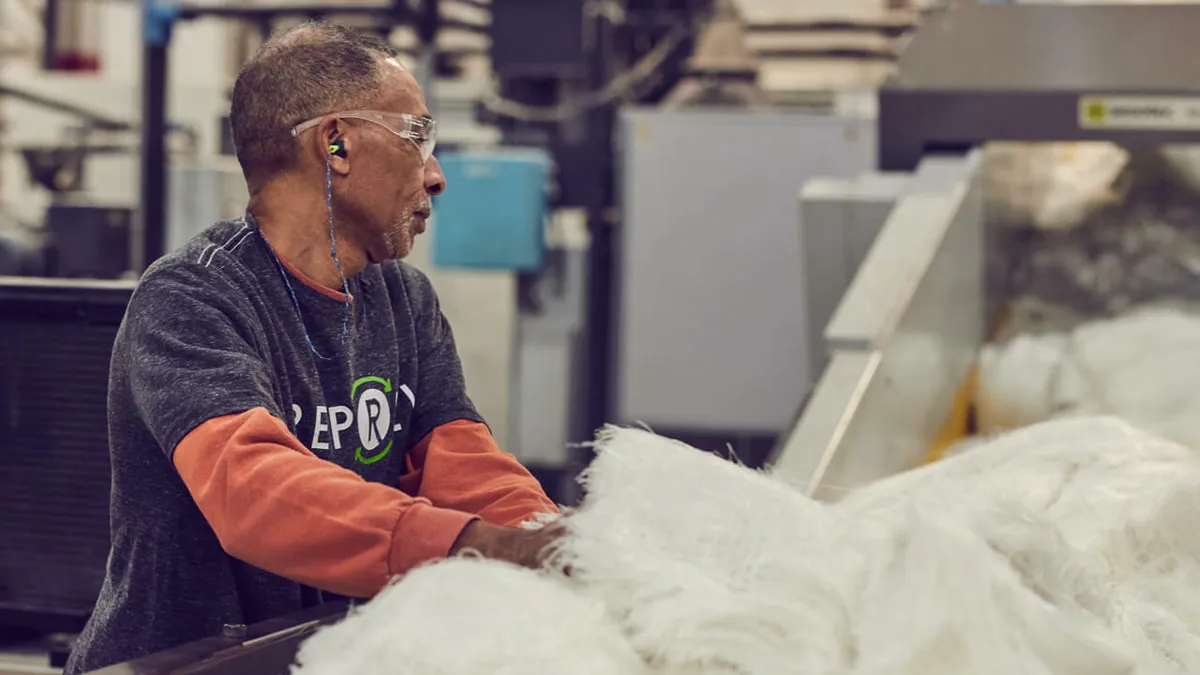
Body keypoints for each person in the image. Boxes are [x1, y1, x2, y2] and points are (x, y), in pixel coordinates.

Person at [64, 22, 563, 674]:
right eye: (418, 137)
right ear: (336, 144)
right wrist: (481, 546)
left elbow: (462, 463)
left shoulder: (404, 302)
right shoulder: (191, 298)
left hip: (320, 654)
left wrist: (549, 538)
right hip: (180, 663)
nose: (437, 175)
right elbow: (255, 492)